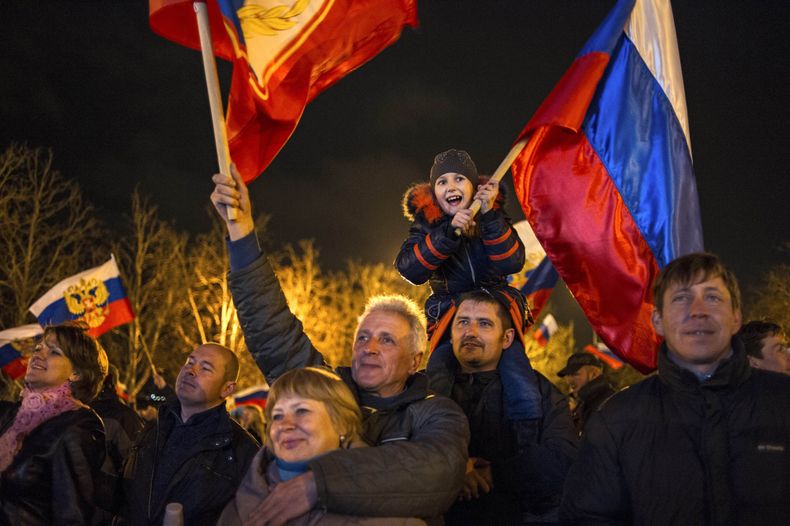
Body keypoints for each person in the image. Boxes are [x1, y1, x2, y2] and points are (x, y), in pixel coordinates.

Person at [210, 165, 469, 524]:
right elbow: (273, 333)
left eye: (386, 339)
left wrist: (319, 482)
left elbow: (440, 470)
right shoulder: (321, 389)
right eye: (362, 336)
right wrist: (240, 234)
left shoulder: (436, 413)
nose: (369, 347)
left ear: (415, 359)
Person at [560, 252, 790, 525]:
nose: (698, 311)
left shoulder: (783, 400)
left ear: (736, 317)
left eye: (713, 297)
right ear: (657, 320)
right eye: (681, 299)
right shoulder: (617, 419)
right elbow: (588, 517)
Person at [395, 149, 542, 421]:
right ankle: (437, 440)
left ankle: (527, 440)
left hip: (494, 318)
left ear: (473, 187)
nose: (451, 186)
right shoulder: (427, 227)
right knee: (438, 380)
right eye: (442, 182)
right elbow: (409, 268)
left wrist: (488, 218)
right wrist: (446, 234)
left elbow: (512, 262)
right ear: (435, 193)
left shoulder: (493, 217)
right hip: (450, 320)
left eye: (459, 179)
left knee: (522, 384)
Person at [427, 290, 578, 525]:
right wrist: (456, 469)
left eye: (484, 324)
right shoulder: (420, 390)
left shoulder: (541, 393)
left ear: (506, 338)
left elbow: (563, 460)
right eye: (463, 322)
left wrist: (495, 473)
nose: (470, 332)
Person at [219, 367, 426, 525]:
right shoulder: (241, 503)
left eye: (301, 411)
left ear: (341, 423)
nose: (285, 425)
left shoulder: (391, 515)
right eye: (277, 415)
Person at [117, 343, 258, 526]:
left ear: (227, 389)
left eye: (205, 368)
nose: (191, 370)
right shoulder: (153, 429)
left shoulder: (241, 451)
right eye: (190, 362)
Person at [0, 322, 108, 524]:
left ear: (76, 373)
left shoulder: (75, 427)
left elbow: (72, 516)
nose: (38, 355)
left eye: (55, 352)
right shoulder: (14, 416)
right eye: (39, 348)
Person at [557, 352, 616, 436]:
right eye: (568, 375)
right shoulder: (583, 405)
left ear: (594, 374)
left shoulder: (609, 403)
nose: (570, 381)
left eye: (575, 374)